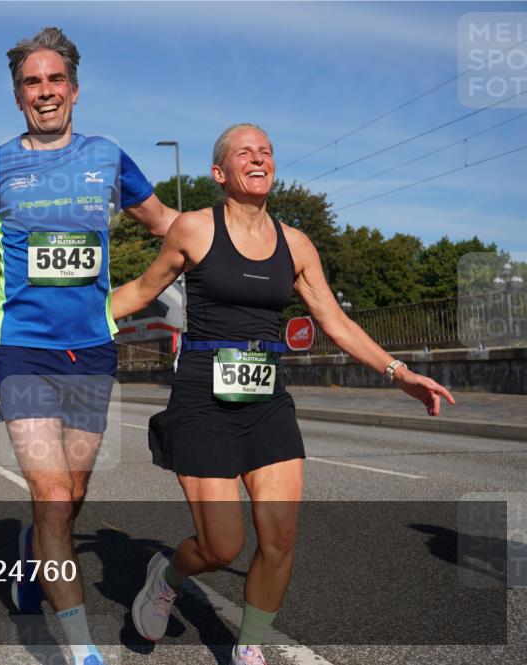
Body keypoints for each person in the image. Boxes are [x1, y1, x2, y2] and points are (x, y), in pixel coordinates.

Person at [113, 124, 455, 665]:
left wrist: (400, 372)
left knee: (279, 537)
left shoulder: (295, 244)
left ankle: (250, 646)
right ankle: (168, 574)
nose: (259, 157)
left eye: (266, 151)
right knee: (221, 546)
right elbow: (140, 290)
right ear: (219, 172)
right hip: (203, 397)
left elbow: (335, 322)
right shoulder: (194, 229)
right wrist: (67, 326)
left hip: (267, 397)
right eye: (244, 151)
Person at [0, 27, 177, 665]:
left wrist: (233, 242)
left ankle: (30, 553)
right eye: (31, 83)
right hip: (24, 348)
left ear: (74, 87)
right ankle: (82, 651)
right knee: (54, 495)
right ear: (18, 97)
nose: (44, 92)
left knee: (72, 493)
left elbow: (166, 226)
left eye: (54, 80)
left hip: (93, 347)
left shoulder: (108, 156)